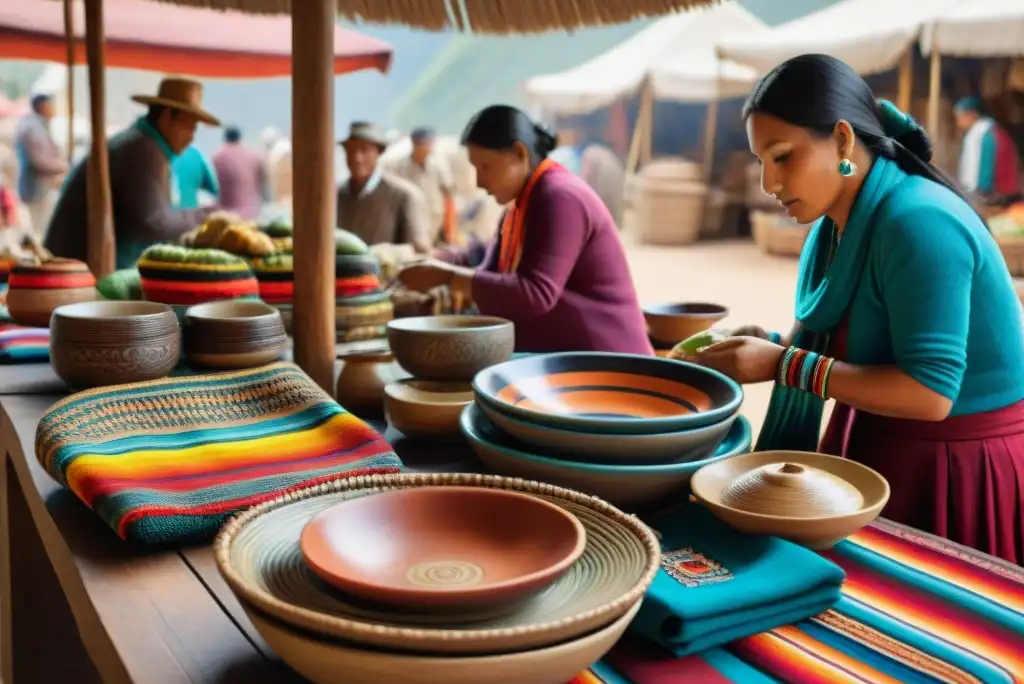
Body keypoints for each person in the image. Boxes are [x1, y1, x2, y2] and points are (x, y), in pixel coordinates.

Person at [681, 54, 1024, 563]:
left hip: (955, 463)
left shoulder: (918, 222)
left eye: (783, 156)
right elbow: (864, 340)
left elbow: (930, 394)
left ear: (842, 140)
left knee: (924, 623)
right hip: (878, 437)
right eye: (761, 162)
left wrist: (783, 364)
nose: (768, 184)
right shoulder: (837, 225)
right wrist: (773, 344)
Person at [397, 105, 651, 355]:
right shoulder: (520, 206)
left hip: (610, 361)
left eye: (485, 167)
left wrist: (448, 277)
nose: (479, 181)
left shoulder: (560, 197)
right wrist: (441, 260)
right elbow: (491, 266)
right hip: (567, 358)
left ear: (519, 153)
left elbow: (535, 293)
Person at [45, 78, 220, 270]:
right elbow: (155, 223)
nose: (192, 137)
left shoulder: (144, 144)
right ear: (168, 116)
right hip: (76, 270)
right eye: (190, 127)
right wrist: (204, 216)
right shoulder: (142, 150)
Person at [336, 122, 430, 253]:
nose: (357, 158)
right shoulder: (335, 195)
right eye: (351, 150)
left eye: (364, 150)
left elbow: (419, 249)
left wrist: (381, 255)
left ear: (379, 152)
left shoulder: (404, 195)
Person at [385, 127, 457, 245]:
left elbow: (448, 196)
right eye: (425, 144)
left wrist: (450, 231)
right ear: (415, 144)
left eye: (430, 143)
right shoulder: (399, 167)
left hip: (434, 220)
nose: (428, 147)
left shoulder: (438, 166)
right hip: (409, 223)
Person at [15, 92, 67, 239]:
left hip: (37, 187)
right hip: (37, 188)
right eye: (51, 105)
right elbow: (42, 162)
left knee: (38, 228)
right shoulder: (34, 127)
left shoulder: (36, 125)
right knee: (39, 230)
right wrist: (65, 167)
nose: (54, 109)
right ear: (42, 106)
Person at [954, 96, 1022, 207]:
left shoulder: (985, 135)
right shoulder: (983, 131)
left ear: (971, 114)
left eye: (959, 117)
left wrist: (981, 195)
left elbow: (985, 168)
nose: (958, 122)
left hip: (994, 196)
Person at [213, 126, 268, 219]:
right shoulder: (254, 155)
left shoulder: (218, 157)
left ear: (226, 138)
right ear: (239, 138)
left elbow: (213, 185)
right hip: (253, 212)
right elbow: (264, 181)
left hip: (227, 215)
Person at [172, 144, 219, 209]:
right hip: (189, 212)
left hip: (164, 213)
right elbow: (212, 187)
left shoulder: (161, 152)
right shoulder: (195, 154)